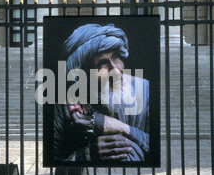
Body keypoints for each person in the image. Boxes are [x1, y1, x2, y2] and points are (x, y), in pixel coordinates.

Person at [53, 24, 149, 165]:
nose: (116, 71)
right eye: (102, 64)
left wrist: (119, 126)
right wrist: (87, 155)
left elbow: (161, 147)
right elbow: (55, 166)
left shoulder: (145, 89)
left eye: (116, 57)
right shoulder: (63, 106)